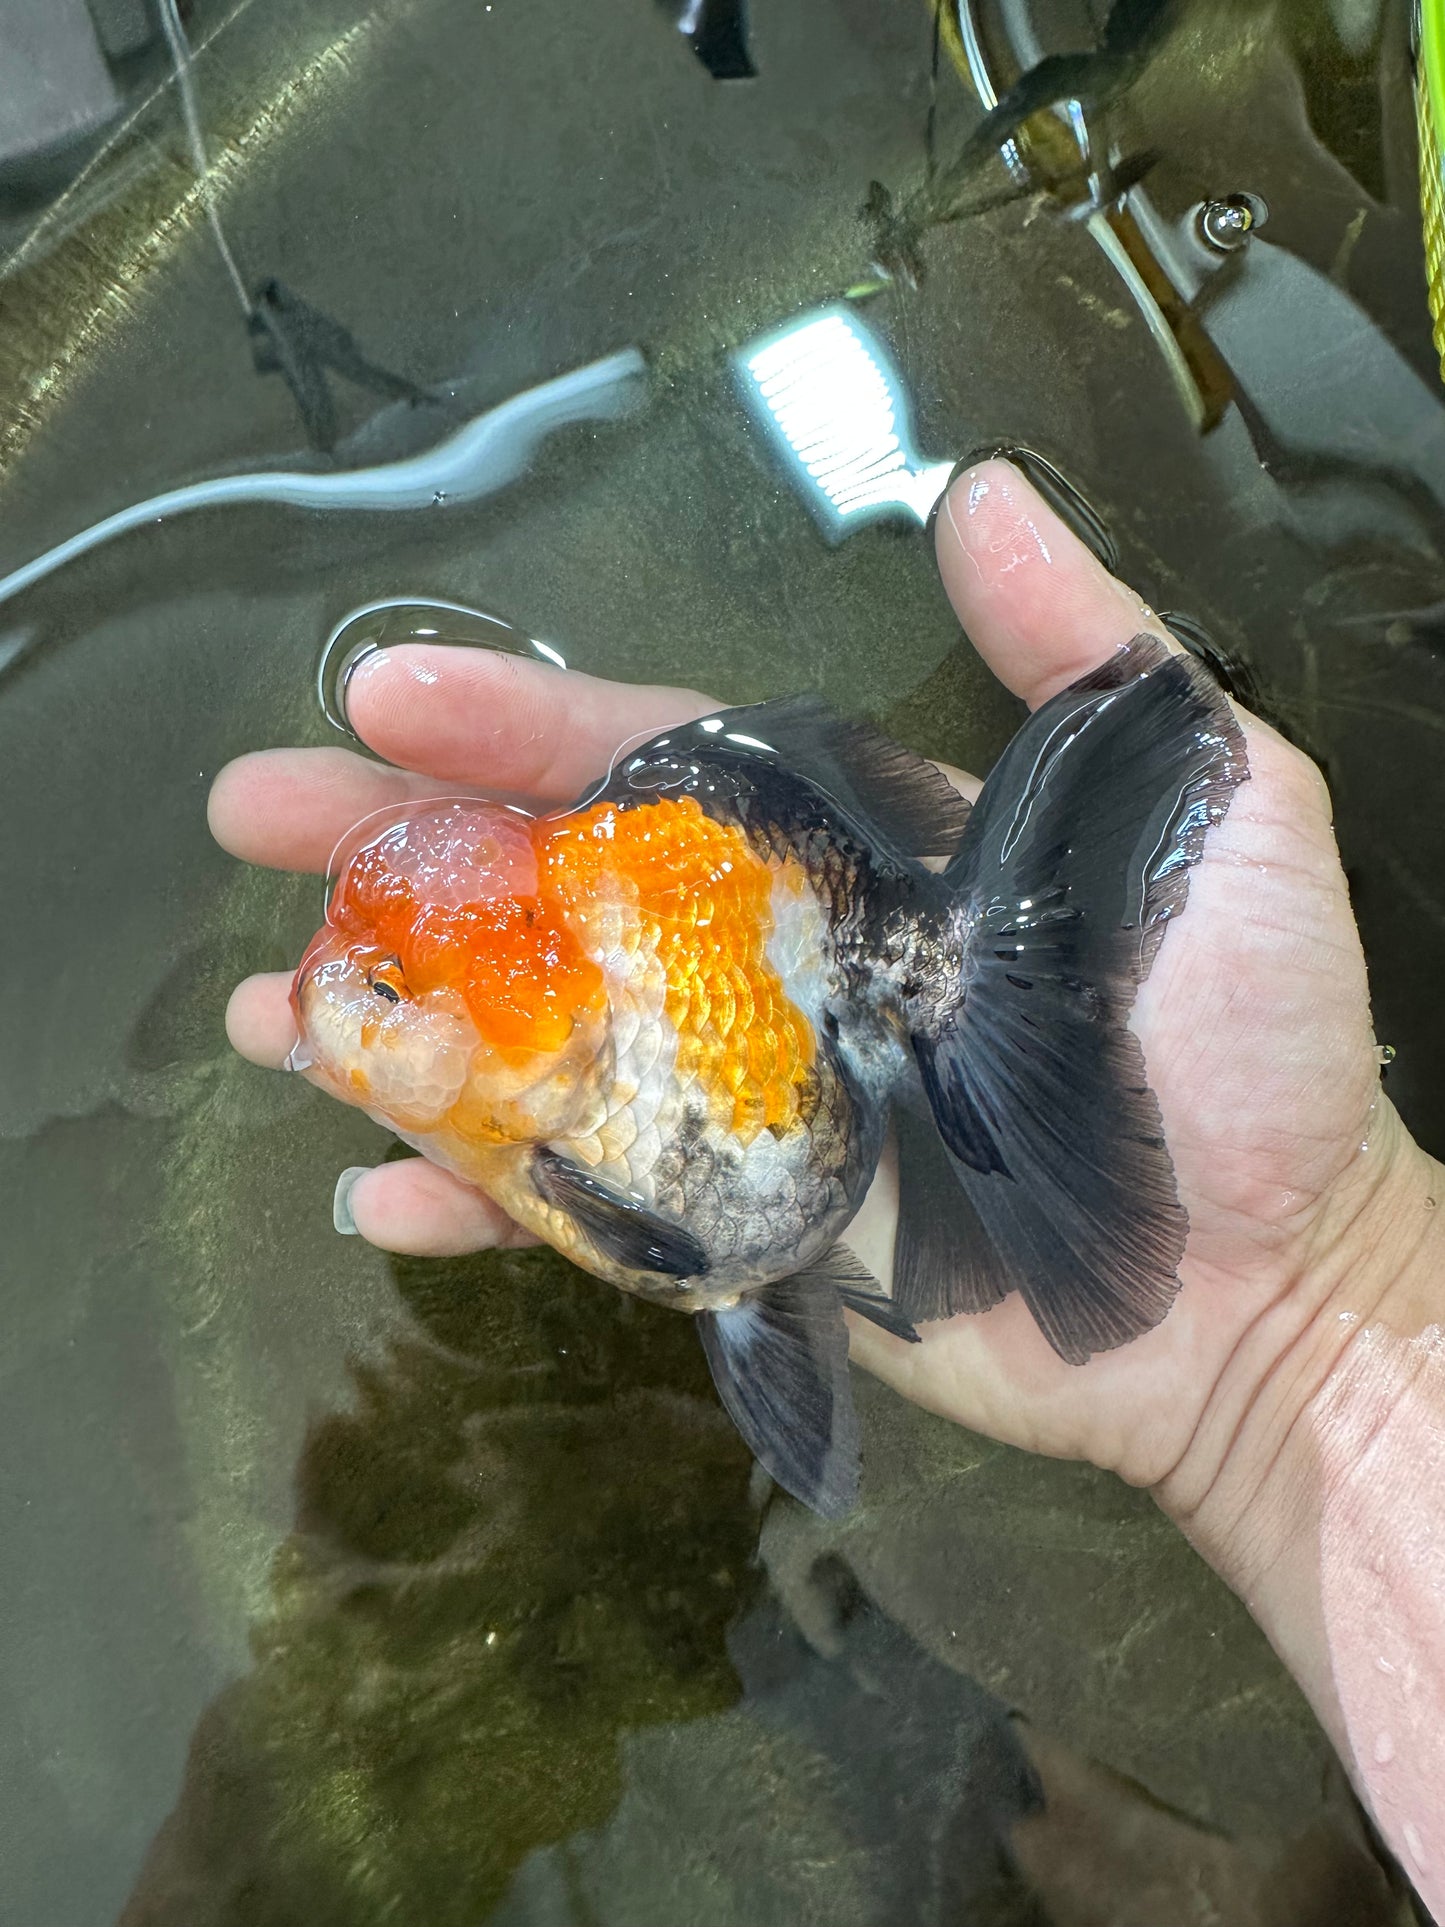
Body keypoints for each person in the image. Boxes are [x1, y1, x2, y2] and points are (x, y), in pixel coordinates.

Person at [209, 459, 1445, 1909]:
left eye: (388, 987)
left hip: (824, 1046)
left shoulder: (579, 1050)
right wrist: (1327, 1331)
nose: (343, 1009)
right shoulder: (526, 1086)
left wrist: (1317, 1307)